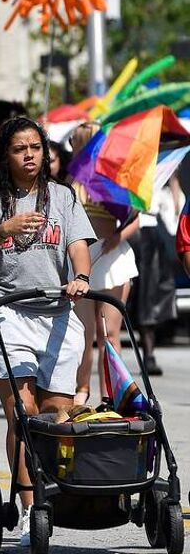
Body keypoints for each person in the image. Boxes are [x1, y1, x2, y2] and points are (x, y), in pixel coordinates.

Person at [0, 116, 94, 548]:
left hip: (56, 314)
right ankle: (29, 510)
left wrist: (80, 275)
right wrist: (4, 229)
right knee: (22, 415)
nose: (29, 155)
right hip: (5, 313)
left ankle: (54, 497)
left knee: (54, 416)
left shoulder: (63, 198)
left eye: (35, 147)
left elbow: (78, 244)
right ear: (6, 154)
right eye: (20, 148)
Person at [67, 122, 139, 404]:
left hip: (112, 257)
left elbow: (135, 221)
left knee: (108, 333)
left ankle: (112, 393)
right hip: (85, 259)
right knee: (84, 332)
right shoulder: (72, 180)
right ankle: (81, 388)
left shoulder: (113, 177)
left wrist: (117, 236)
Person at [129, 179, 181, 376]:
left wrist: (174, 180)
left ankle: (149, 354)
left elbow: (174, 214)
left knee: (150, 298)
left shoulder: (162, 179)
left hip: (152, 240)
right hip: (134, 237)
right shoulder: (133, 173)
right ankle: (146, 355)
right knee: (139, 298)